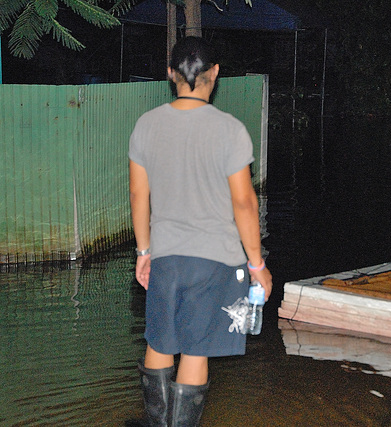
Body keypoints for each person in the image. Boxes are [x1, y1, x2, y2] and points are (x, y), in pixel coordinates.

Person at [128, 36, 272, 426]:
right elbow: (244, 203)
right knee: (195, 351)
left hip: (166, 256)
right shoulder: (230, 130)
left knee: (158, 341)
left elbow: (139, 194)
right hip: (215, 261)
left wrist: (144, 253)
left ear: (170, 73)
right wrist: (257, 263)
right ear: (216, 73)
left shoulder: (146, 125)